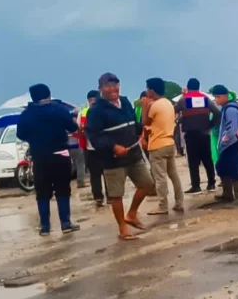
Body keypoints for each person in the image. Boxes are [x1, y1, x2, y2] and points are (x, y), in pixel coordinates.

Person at [86, 73, 156, 241]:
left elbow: (131, 123)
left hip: (134, 155)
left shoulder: (124, 102)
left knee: (147, 184)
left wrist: (142, 130)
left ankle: (131, 214)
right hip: (113, 160)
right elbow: (95, 137)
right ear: (100, 89)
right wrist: (113, 147)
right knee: (116, 195)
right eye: (108, 86)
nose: (113, 89)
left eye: (115, 85)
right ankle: (122, 228)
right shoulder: (95, 111)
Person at [17, 84, 81, 236]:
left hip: (39, 157)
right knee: (62, 189)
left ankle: (45, 227)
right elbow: (73, 127)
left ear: (32, 97)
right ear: (49, 95)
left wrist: (34, 138)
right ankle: (65, 223)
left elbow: (20, 134)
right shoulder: (59, 109)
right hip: (60, 155)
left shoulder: (27, 114)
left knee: (42, 192)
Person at [143, 78, 184, 215]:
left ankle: (163, 205)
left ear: (152, 90)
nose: (146, 91)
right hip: (169, 143)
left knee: (160, 177)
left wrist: (144, 106)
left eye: (147, 89)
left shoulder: (153, 106)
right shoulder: (168, 103)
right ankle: (179, 202)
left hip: (157, 145)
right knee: (173, 174)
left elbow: (145, 122)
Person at [175, 78, 220, 194]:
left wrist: (183, 94)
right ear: (199, 87)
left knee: (193, 160)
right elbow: (217, 112)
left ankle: (196, 186)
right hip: (204, 133)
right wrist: (210, 125)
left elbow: (175, 109)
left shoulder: (184, 99)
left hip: (191, 133)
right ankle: (211, 183)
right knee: (207, 158)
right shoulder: (205, 98)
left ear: (188, 87)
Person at [211, 85, 238, 201]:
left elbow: (232, 128)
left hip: (232, 143)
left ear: (225, 96)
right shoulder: (227, 108)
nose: (216, 100)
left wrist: (225, 139)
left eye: (218, 97)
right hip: (228, 144)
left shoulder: (230, 109)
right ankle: (227, 194)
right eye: (215, 97)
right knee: (222, 167)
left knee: (234, 170)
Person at [78, 90, 107, 207]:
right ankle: (100, 197)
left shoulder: (103, 110)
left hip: (100, 147)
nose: (92, 102)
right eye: (90, 100)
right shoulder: (84, 112)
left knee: (105, 173)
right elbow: (79, 129)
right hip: (93, 148)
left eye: (93, 100)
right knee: (97, 174)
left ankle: (106, 196)